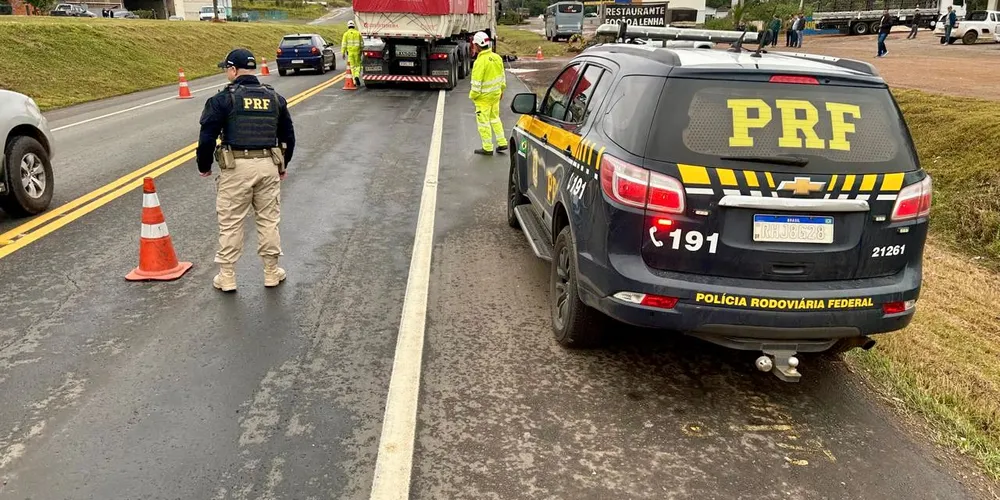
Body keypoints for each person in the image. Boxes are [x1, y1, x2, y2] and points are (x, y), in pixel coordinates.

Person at [197, 48, 296, 292]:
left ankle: (227, 276)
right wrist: (283, 165)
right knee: (269, 220)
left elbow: (207, 137)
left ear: (233, 70)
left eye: (226, 69)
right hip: (268, 165)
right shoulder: (275, 98)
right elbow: (288, 136)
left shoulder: (222, 99)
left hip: (236, 167)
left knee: (231, 222)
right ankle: (271, 272)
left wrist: (204, 166)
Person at [469, 31, 507, 156]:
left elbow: (476, 83)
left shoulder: (480, 62)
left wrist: (473, 96)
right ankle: (502, 142)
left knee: (483, 123)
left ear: (477, 45)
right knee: (495, 119)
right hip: (495, 95)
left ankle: (487, 147)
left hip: (483, 99)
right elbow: (502, 77)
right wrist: (501, 90)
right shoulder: (497, 58)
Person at [341, 20, 363, 87]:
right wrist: (361, 51)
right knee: (358, 65)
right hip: (357, 52)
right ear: (354, 26)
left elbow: (344, 44)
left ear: (348, 26)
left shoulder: (346, 34)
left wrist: (343, 53)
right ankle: (357, 76)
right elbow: (362, 44)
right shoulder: (358, 33)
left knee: (352, 66)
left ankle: (354, 80)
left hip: (350, 53)